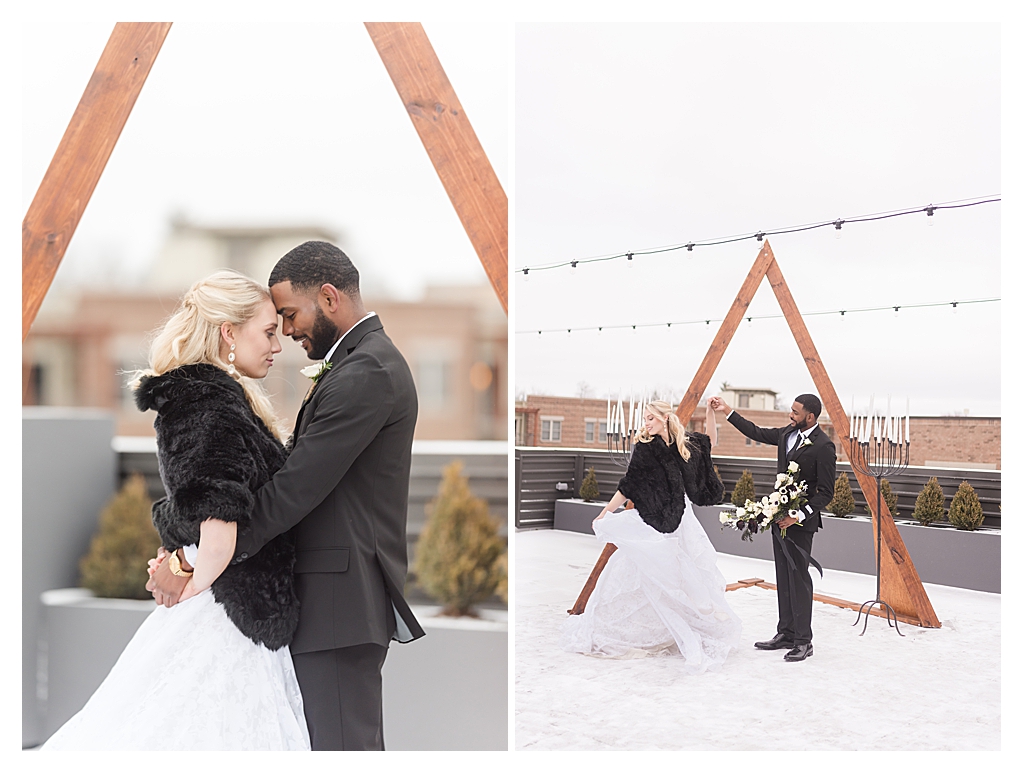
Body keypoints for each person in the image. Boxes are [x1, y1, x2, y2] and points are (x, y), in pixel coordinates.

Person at [148, 241, 425, 750]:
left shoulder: (368, 372)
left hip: (337, 603)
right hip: (322, 601)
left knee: (344, 750)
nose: (288, 332)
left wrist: (194, 557)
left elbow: (293, 489)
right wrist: (195, 541)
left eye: (290, 316)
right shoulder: (357, 366)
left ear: (328, 297)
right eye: (275, 325)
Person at [41, 270, 310, 750]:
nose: (279, 344)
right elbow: (219, 526)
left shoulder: (210, 400)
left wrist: (180, 564)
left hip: (229, 606)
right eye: (268, 331)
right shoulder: (207, 404)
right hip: (227, 614)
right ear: (228, 332)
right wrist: (185, 585)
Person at [560, 401, 741, 673]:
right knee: (655, 568)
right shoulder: (645, 449)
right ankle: (640, 630)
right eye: (645, 419)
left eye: (651, 419)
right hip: (656, 515)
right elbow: (628, 485)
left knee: (690, 563)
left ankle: (695, 613)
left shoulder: (685, 442)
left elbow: (710, 442)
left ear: (665, 418)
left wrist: (710, 413)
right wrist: (605, 511)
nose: (646, 424)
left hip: (682, 516)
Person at [708, 393, 836, 662]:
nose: (791, 415)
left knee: (799, 579)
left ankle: (804, 641)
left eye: (795, 412)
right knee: (783, 577)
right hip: (778, 520)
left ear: (810, 417)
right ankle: (786, 633)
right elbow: (756, 432)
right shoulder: (787, 432)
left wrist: (798, 515)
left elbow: (825, 493)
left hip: (800, 524)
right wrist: (727, 411)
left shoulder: (824, 446)